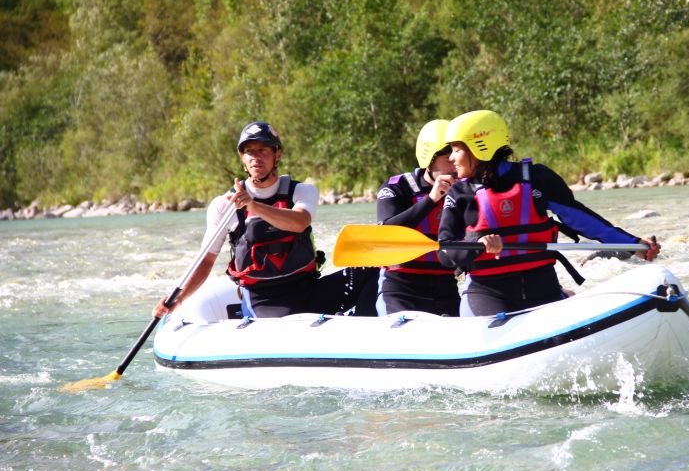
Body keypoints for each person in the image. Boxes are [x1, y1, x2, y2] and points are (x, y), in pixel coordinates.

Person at [437, 110, 660, 317]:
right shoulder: (460, 194)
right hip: (488, 295)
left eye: (457, 150)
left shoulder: (536, 178)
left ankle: (565, 296)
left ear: (479, 146)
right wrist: (475, 242)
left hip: (544, 288)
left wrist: (632, 244)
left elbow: (581, 219)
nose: (451, 158)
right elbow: (445, 254)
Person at [154, 121, 377, 319]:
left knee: (372, 270)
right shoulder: (223, 205)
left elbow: (300, 222)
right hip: (264, 300)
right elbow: (205, 263)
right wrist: (178, 298)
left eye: (263, 150)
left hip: (308, 289)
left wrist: (253, 205)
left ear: (277, 155)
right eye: (249, 151)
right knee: (289, 319)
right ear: (242, 158)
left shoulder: (301, 192)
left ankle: (362, 329)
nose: (255, 157)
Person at [374, 120, 460, 316]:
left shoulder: (465, 190)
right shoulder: (396, 187)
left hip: (445, 287)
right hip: (400, 289)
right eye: (448, 158)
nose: (455, 165)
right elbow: (387, 232)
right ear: (429, 160)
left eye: (457, 156)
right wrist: (431, 199)